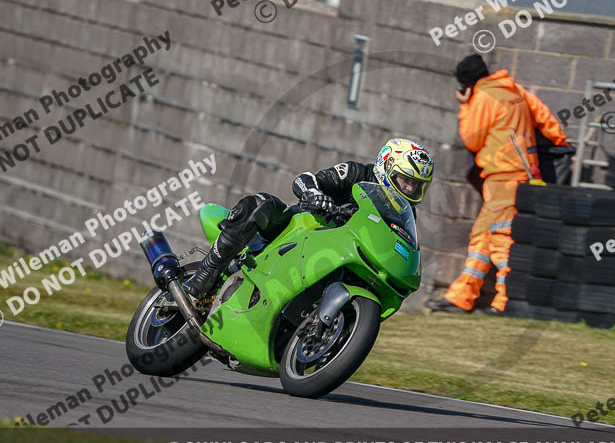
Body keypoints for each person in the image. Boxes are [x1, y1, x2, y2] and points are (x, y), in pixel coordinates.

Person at [182, 138, 434, 300]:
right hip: (301, 229)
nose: (410, 190)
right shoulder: (357, 173)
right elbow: (306, 179)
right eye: (406, 180)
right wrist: (316, 196)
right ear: (386, 167)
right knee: (261, 203)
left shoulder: (405, 213)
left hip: (339, 255)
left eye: (417, 185)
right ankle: (207, 272)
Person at [426, 54, 570, 315]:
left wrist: (465, 105)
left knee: (501, 239)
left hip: (503, 175)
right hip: (521, 173)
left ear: (467, 84)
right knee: (482, 237)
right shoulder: (513, 89)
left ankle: (505, 302)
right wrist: (560, 144)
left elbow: (471, 139)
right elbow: (546, 118)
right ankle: (461, 297)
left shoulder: (482, 98)